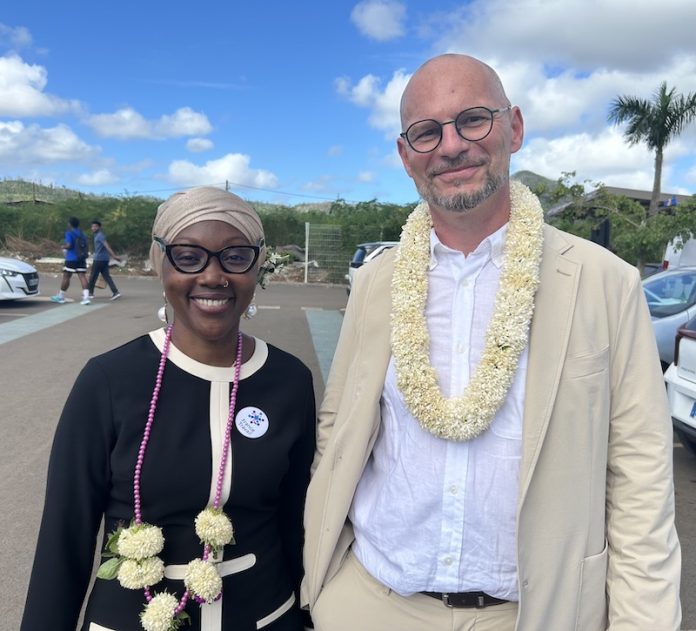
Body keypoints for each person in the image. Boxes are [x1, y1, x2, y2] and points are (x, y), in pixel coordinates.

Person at [302, 54, 681, 631]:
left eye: (473, 120)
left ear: (515, 127)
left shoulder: (605, 283)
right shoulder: (377, 280)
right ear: (405, 155)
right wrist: (325, 587)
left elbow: (640, 476)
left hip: (536, 614)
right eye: (427, 132)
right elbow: (339, 426)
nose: (452, 146)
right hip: (372, 603)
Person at [21, 187, 316, 631]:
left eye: (235, 257)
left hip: (266, 617)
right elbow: (65, 537)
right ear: (162, 264)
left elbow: (296, 520)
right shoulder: (109, 381)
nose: (213, 276)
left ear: (257, 267)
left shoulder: (289, 379)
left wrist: (307, 614)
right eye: (188, 256)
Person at [50, 216, 91, 305]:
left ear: (70, 224)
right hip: (81, 258)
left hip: (71, 258)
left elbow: (69, 245)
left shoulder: (69, 233)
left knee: (66, 277)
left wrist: (63, 247)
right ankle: (86, 298)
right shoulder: (82, 233)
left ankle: (61, 296)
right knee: (82, 277)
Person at [87, 220, 122, 300]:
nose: (93, 228)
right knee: (106, 276)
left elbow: (107, 246)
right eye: (92, 226)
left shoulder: (100, 235)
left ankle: (90, 293)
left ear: (99, 227)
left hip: (99, 259)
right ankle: (115, 292)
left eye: (95, 226)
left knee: (93, 276)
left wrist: (114, 256)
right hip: (104, 259)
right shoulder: (97, 235)